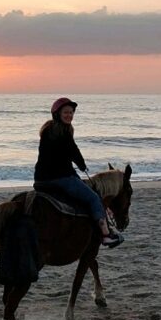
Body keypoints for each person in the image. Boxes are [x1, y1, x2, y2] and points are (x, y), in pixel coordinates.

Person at [33, 97, 123, 246]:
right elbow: (71, 153)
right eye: (66, 112)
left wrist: (79, 164)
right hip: (60, 178)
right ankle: (106, 234)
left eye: (71, 112)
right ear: (57, 114)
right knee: (94, 198)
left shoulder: (49, 130)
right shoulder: (62, 131)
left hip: (40, 180)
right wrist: (80, 166)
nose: (69, 115)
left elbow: (67, 153)